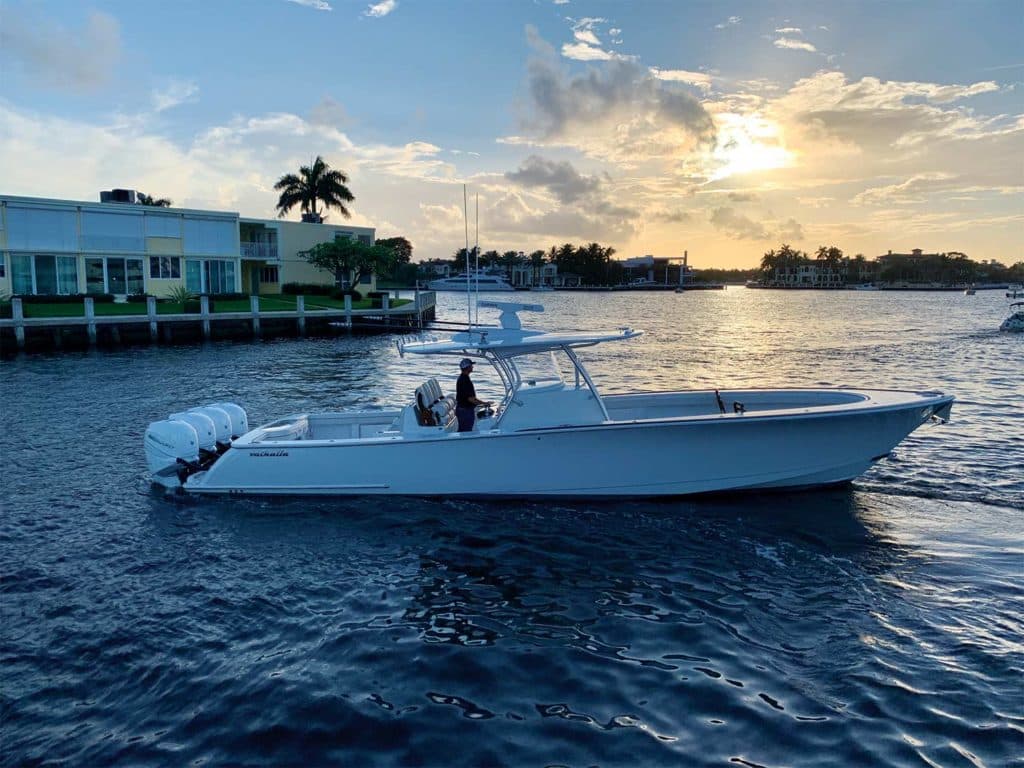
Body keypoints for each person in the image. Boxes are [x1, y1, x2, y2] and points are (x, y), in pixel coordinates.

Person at [455, 358, 490, 432]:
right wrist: (484, 404)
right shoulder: (464, 380)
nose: (472, 367)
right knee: (465, 432)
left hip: (463, 410)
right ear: (467, 367)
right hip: (465, 411)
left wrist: (482, 403)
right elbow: (470, 399)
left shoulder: (464, 378)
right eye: (471, 365)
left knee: (463, 430)